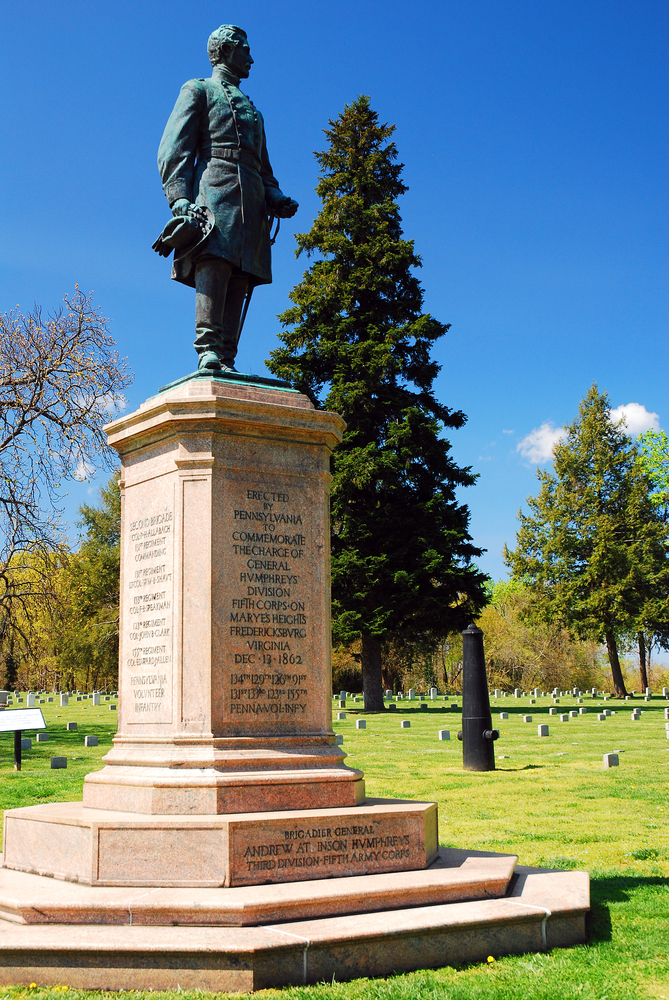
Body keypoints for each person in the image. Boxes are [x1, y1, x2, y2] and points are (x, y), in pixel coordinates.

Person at [156, 25, 298, 373]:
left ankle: (228, 357)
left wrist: (276, 197)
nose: (251, 57)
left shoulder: (255, 113)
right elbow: (173, 149)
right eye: (245, 49)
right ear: (226, 51)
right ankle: (208, 350)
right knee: (214, 264)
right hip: (215, 189)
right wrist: (179, 199)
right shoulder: (198, 90)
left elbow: (264, 168)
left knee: (242, 275)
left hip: (252, 201)